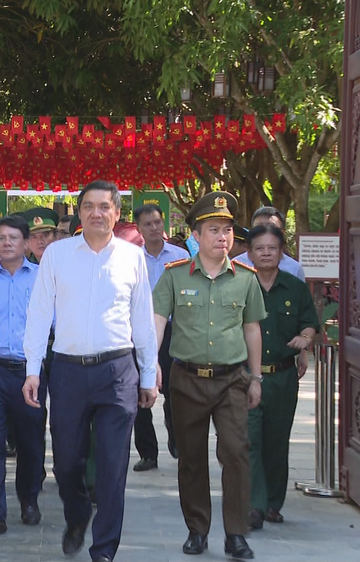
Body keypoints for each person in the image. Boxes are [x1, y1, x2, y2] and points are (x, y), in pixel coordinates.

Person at [22, 180, 158, 562]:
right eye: (89, 206)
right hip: (67, 371)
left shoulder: (132, 258)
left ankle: (104, 550)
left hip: (117, 370)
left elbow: (143, 320)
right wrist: (33, 370)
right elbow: (38, 316)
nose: (96, 213)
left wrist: (148, 374)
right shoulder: (58, 255)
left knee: (114, 467)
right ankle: (77, 514)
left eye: (104, 207)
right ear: (79, 213)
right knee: (67, 462)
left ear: (116, 213)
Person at [152, 192, 265, 560]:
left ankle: (236, 534)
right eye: (214, 230)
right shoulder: (173, 277)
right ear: (195, 236)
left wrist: (256, 377)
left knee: (236, 453)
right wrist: (149, 364)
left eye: (228, 230)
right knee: (191, 457)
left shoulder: (245, 278)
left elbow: (252, 329)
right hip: (186, 379)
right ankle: (197, 529)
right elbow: (157, 321)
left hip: (232, 379)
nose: (223, 237)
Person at [245, 224, 318, 530]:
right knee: (250, 441)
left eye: (271, 248)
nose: (265, 253)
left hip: (283, 377)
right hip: (247, 377)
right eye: (259, 248)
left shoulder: (294, 286)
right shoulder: (240, 285)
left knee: (277, 442)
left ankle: (274, 502)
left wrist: (305, 339)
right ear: (250, 253)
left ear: (281, 251)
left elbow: (310, 322)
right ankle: (255, 505)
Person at [0, 215, 45, 538]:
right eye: (0, 237)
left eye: (13, 238)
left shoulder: (43, 279)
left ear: (26, 243)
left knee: (31, 443)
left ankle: (29, 499)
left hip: (31, 371)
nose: (5, 243)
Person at [133, 204, 189, 469]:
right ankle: (147, 453)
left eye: (157, 222)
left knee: (174, 391)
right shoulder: (133, 259)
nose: (154, 228)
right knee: (139, 392)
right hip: (141, 333)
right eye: (148, 224)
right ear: (139, 229)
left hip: (174, 332)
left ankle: (177, 438)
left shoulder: (180, 256)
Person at [233, 206, 306, 281]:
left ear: (282, 234)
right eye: (259, 228)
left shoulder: (294, 269)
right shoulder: (237, 265)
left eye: (271, 228)